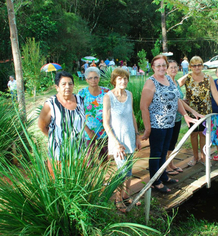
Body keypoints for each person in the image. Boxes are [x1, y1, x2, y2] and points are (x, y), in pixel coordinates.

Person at [140, 55, 196, 193]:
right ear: (153, 67)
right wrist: (147, 128)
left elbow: (177, 100)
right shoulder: (150, 82)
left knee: (164, 152)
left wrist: (185, 115)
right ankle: (155, 181)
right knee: (156, 153)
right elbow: (143, 107)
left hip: (170, 124)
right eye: (158, 65)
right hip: (157, 125)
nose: (161, 68)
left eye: (163, 65)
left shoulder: (168, 79)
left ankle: (163, 175)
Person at [38, 71, 95, 177]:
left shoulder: (80, 100)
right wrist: (55, 139)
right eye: (63, 84)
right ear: (57, 87)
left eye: (70, 84)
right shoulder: (51, 104)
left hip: (79, 151)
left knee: (79, 181)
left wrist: (89, 132)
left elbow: (81, 121)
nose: (67, 87)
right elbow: (42, 126)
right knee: (60, 184)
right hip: (59, 154)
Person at [103, 68, 141, 213]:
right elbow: (106, 123)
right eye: (119, 79)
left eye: (125, 78)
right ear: (114, 80)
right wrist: (115, 142)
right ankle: (118, 199)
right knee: (122, 171)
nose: (123, 81)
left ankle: (126, 195)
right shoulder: (108, 97)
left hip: (130, 137)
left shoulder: (129, 94)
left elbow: (132, 115)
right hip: (117, 140)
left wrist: (137, 135)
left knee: (129, 169)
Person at [178, 56, 218, 167]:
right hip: (192, 111)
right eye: (194, 65)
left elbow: (215, 94)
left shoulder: (208, 78)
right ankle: (195, 157)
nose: (197, 67)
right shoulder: (187, 77)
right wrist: (180, 99)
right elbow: (174, 86)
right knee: (194, 134)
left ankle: (204, 157)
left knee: (203, 134)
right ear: (190, 67)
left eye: (199, 64)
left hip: (205, 111)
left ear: (202, 65)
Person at [165, 60, 203, 175]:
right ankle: (166, 166)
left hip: (177, 117)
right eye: (171, 67)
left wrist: (192, 111)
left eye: (175, 67)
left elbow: (179, 100)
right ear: (166, 69)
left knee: (173, 142)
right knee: (168, 142)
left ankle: (171, 163)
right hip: (168, 118)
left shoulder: (176, 82)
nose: (173, 70)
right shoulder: (166, 82)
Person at [78, 67, 110, 162]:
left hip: (103, 131)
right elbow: (78, 114)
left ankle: (103, 176)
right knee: (89, 160)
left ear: (99, 78)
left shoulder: (106, 92)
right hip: (88, 131)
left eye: (96, 77)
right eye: (90, 78)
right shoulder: (82, 93)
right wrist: (88, 131)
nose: (93, 80)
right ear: (86, 80)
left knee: (104, 158)